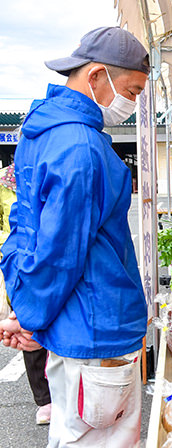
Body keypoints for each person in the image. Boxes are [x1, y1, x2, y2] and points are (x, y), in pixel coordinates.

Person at [0, 27, 149, 447]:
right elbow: (59, 254)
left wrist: (26, 312)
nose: (132, 104)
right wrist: (29, 318)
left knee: (73, 434)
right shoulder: (80, 146)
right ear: (97, 77)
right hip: (97, 326)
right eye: (132, 91)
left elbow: (25, 230)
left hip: (74, 325)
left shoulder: (42, 132)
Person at [0, 164, 52, 425]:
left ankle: (55, 395)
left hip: (40, 267)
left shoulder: (48, 179)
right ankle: (44, 399)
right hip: (17, 268)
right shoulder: (8, 187)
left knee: (40, 329)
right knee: (28, 333)